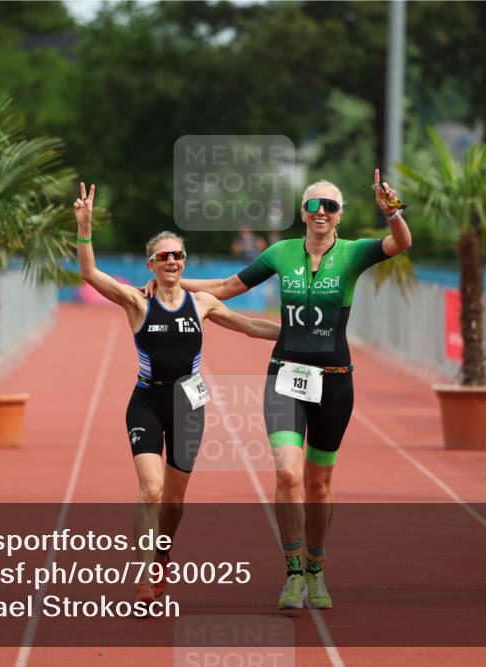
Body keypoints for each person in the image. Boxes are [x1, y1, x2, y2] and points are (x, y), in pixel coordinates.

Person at [152, 171, 411, 609]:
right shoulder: (281, 253)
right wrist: (169, 284)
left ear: (340, 215)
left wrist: (392, 213)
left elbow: (400, 243)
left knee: (319, 482)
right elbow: (225, 289)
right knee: (288, 473)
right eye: (314, 205)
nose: (322, 212)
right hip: (285, 376)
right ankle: (293, 572)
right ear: (303, 213)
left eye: (330, 206)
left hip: (335, 380)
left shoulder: (352, 254)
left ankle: (316, 568)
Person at [73, 182, 280, 603]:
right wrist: (84, 228)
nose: (171, 261)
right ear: (151, 265)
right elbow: (90, 275)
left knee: (174, 503)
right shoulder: (137, 303)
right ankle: (146, 573)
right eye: (163, 256)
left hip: (188, 407)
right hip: (147, 402)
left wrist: (301, 338)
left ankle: (162, 556)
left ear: (184, 262)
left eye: (177, 255)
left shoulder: (201, 303)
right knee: (151, 489)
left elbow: (251, 327)